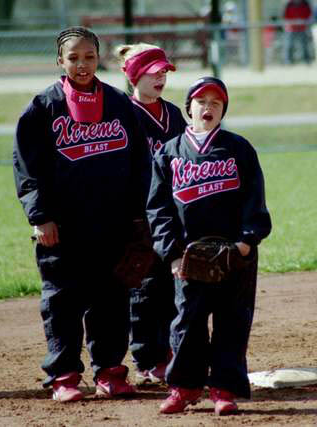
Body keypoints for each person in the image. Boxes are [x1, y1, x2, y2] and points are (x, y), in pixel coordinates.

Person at [13, 26, 150, 403]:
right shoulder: (43, 107)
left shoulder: (119, 103)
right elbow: (27, 168)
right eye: (73, 57)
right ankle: (64, 375)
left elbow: (141, 163)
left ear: (99, 58)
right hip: (63, 227)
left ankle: (110, 371)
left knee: (112, 300)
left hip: (113, 223)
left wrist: (138, 215)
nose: (82, 64)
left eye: (89, 56)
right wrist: (39, 216)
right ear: (60, 61)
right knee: (62, 302)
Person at [146, 77, 272, 416]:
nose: (208, 107)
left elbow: (254, 198)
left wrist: (247, 241)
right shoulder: (169, 152)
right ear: (189, 108)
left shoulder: (238, 148)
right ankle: (184, 387)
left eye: (216, 103)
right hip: (189, 256)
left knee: (232, 322)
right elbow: (159, 209)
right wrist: (172, 254)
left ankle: (224, 389)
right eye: (201, 101)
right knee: (186, 322)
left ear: (223, 110)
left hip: (234, 254)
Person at [114, 42, 188, 385]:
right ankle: (147, 358)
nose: (160, 78)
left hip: (171, 214)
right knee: (144, 288)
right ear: (134, 76)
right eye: (152, 72)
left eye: (164, 72)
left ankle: (170, 350)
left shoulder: (173, 113)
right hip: (138, 216)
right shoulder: (123, 114)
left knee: (173, 284)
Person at [282, 0, 312, 64]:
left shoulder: (305, 3)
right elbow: (285, 15)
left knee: (304, 45)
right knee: (289, 45)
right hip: (291, 28)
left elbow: (309, 14)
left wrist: (303, 20)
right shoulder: (289, 4)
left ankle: (306, 60)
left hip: (302, 27)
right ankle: (288, 60)